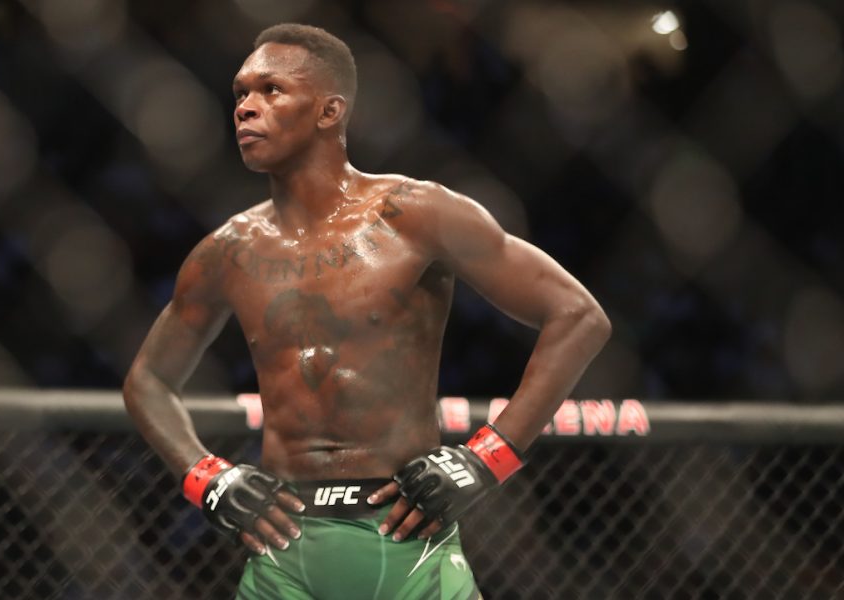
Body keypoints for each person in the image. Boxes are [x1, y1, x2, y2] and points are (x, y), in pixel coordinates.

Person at [123, 23, 611, 600]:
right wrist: (207, 476)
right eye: (241, 93)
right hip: (283, 549)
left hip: (408, 538)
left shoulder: (416, 214)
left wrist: (487, 459)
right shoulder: (229, 250)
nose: (245, 108)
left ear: (329, 111)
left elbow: (578, 316)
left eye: (271, 90)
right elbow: (148, 380)